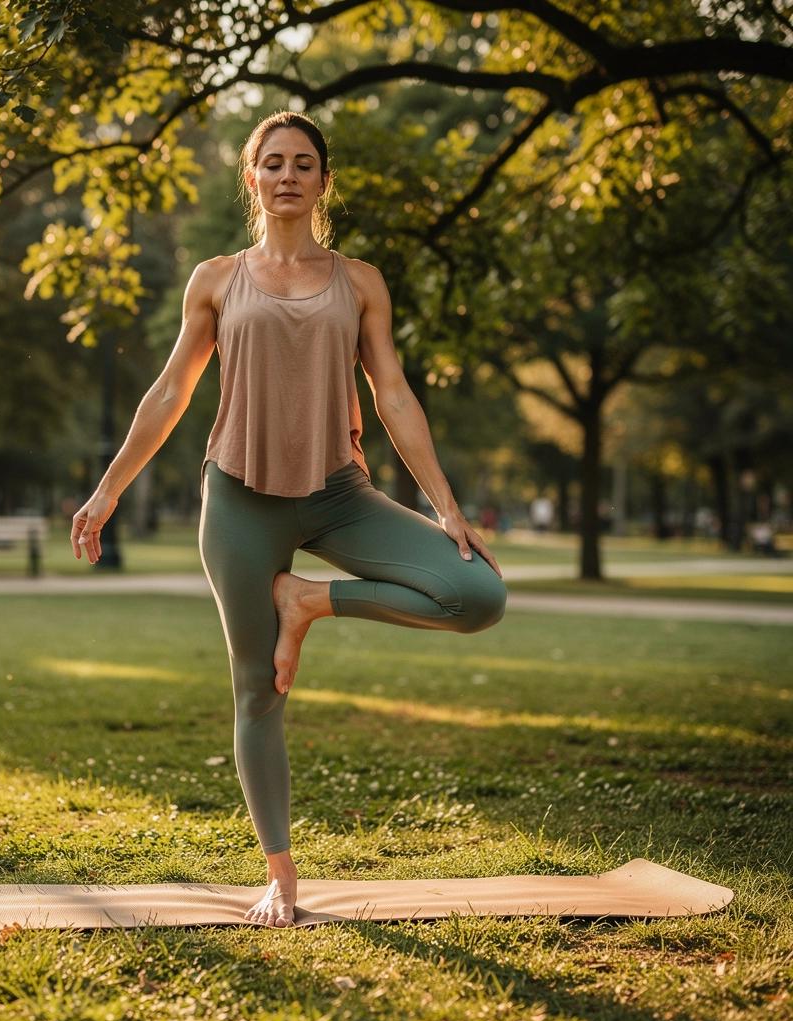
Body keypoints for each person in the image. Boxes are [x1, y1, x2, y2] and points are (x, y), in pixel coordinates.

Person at [69, 110, 507, 928]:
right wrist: (108, 489)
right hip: (241, 500)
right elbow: (170, 392)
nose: (288, 175)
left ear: (323, 181)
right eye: (273, 162)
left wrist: (446, 506)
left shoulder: (361, 281)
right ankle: (281, 876)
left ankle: (305, 601)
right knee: (257, 690)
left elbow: (393, 395)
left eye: (304, 163)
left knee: (477, 595)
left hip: (339, 495)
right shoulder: (215, 279)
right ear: (252, 178)